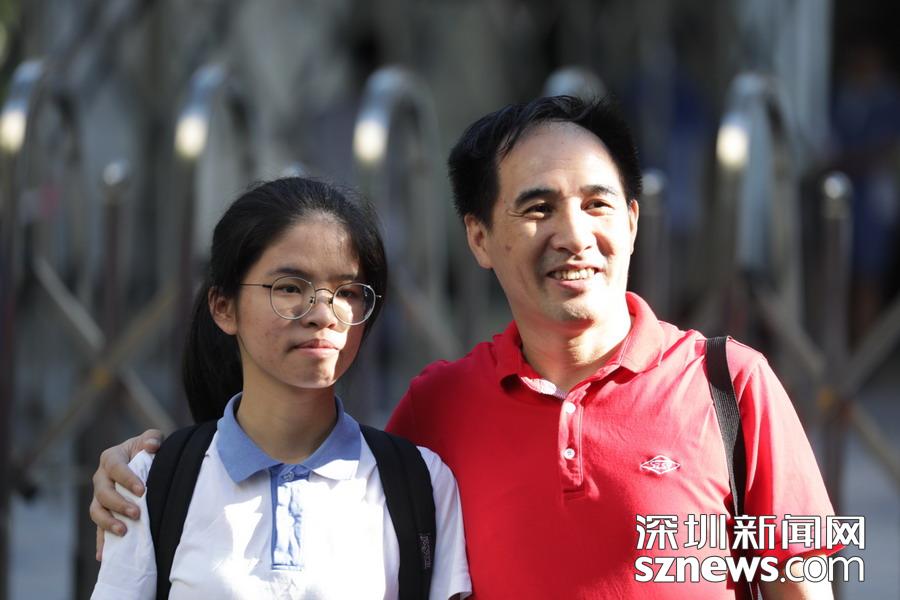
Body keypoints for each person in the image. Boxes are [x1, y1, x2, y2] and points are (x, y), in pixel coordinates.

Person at [92, 98, 839, 599]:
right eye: (538, 207)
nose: (574, 235)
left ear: (633, 222)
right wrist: (147, 474)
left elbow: (802, 586)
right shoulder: (439, 409)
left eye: (597, 204)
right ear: (479, 237)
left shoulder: (728, 384)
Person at [90, 177, 471, 599]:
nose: (324, 314)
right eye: (290, 287)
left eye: (347, 292)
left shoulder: (422, 483)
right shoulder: (151, 481)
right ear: (224, 307)